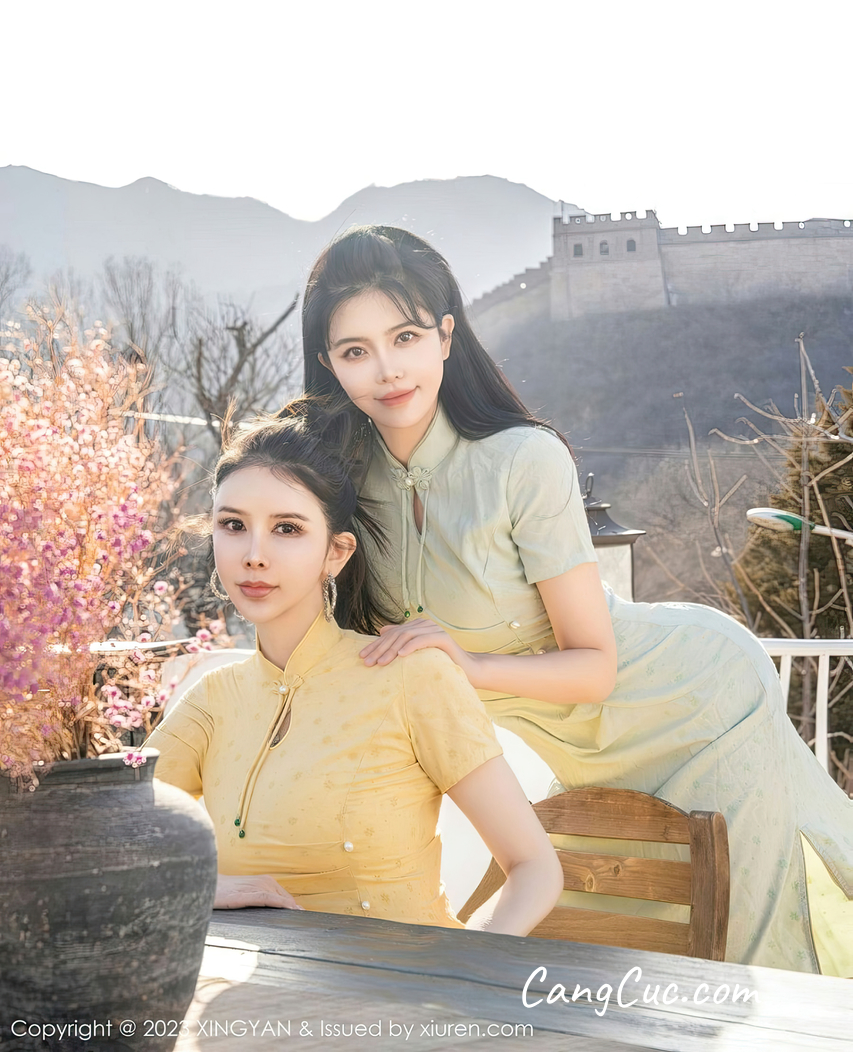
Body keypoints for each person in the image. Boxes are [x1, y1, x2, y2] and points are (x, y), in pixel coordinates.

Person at [300, 223, 853, 975]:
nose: (386, 369)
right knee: (609, 961)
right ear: (328, 364)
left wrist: (469, 665)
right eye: (355, 351)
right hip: (560, 747)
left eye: (405, 337)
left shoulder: (522, 460)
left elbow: (594, 665)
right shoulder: (335, 486)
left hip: (690, 702)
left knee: (736, 952)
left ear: (446, 337)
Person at [143, 408, 562, 934]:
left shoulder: (410, 677)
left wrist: (467, 972)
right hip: (255, 985)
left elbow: (534, 867)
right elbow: (105, 841)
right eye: (233, 525)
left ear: (336, 553)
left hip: (406, 978)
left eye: (287, 529)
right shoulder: (212, 699)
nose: (253, 555)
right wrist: (199, 885)